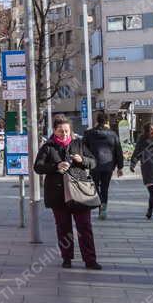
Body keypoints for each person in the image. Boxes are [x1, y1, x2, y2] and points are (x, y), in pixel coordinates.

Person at [34, 115, 101, 270]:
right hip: (58, 195)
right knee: (63, 228)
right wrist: (56, 166)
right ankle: (67, 258)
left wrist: (82, 160)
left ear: (71, 131)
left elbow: (93, 162)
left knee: (84, 227)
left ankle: (90, 260)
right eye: (60, 131)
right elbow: (38, 167)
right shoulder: (48, 147)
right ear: (54, 131)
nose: (64, 134)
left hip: (79, 194)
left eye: (66, 131)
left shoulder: (78, 144)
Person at [83, 112, 124, 220]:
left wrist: (84, 163)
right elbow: (118, 151)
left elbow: (83, 150)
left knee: (95, 186)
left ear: (97, 120)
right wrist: (120, 167)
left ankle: (100, 203)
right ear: (107, 121)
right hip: (108, 165)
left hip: (94, 165)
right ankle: (103, 206)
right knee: (105, 187)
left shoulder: (89, 133)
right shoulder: (113, 134)